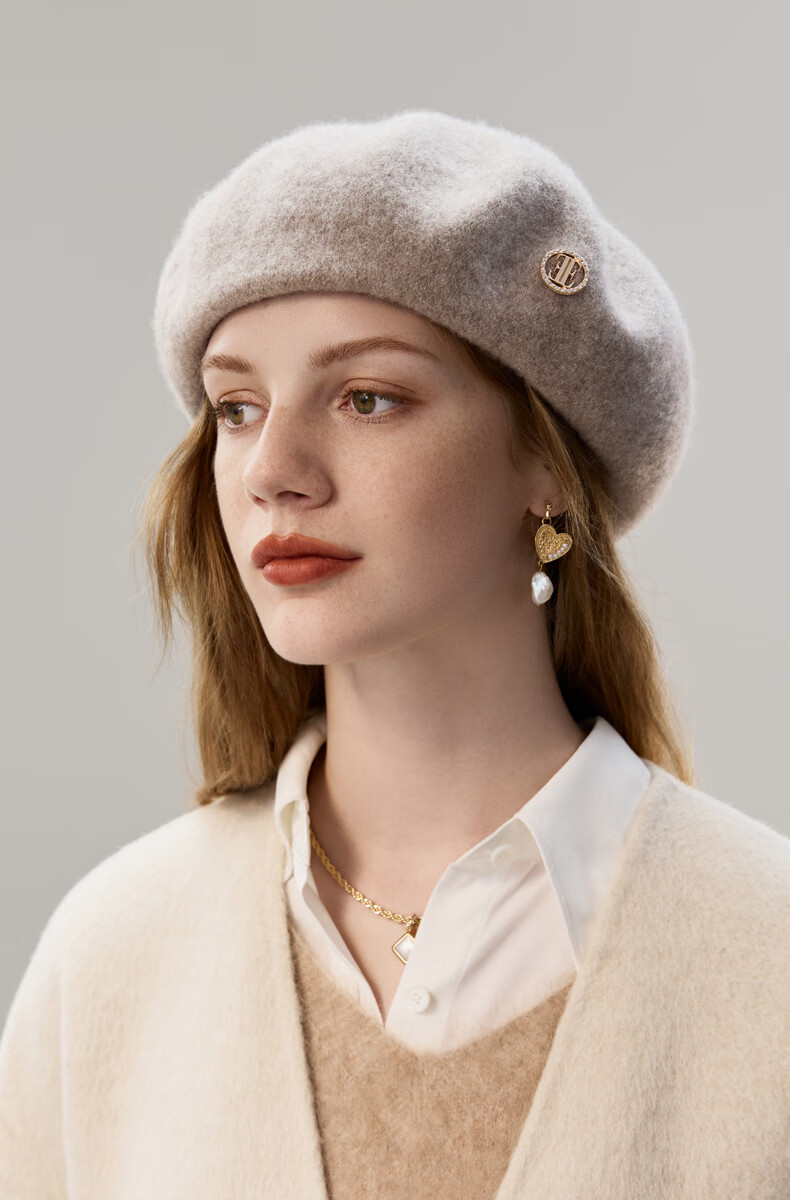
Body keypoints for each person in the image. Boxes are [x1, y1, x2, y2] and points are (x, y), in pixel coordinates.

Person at [1, 109, 788, 1199]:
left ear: (546, 464)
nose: (272, 470)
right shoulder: (110, 958)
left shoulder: (767, 957)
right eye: (237, 407)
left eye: (367, 398)